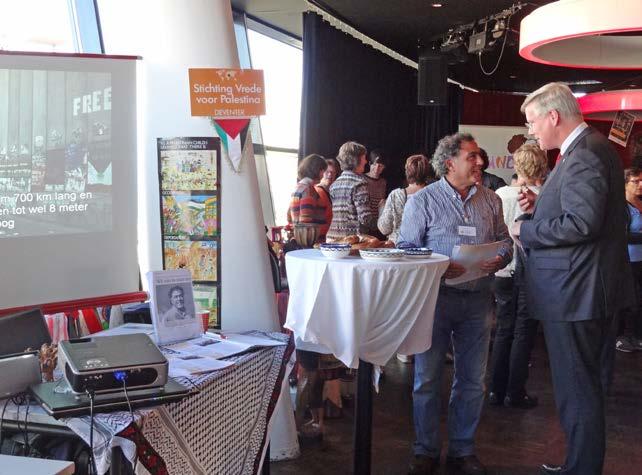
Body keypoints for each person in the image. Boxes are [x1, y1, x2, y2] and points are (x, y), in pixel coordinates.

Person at [510, 82, 630, 475]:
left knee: (578, 391)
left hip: (577, 294)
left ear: (553, 116)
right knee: (582, 388)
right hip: (584, 291)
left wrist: (526, 230)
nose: (531, 132)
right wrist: (541, 207)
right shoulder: (588, 150)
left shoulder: (584, 155)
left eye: (532, 123)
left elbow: (582, 223)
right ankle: (579, 462)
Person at [398, 132, 512, 475]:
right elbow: (405, 247)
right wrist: (438, 264)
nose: (480, 162)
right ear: (450, 162)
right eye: (472, 156)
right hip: (435, 300)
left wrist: (501, 256)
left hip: (479, 300)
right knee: (427, 378)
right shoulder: (423, 201)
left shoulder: (491, 200)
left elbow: (505, 240)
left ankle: (463, 450)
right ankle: (426, 451)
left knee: (473, 381)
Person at [488, 143, 549, 409]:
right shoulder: (545, 197)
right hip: (531, 272)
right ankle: (515, 391)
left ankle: (495, 390)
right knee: (524, 331)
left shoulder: (499, 194)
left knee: (503, 329)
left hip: (501, 269)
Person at [615, 167, 642, 352]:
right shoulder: (621, 207)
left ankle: (636, 336)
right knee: (632, 300)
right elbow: (620, 236)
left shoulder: (640, 203)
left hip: (640, 260)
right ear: (625, 183)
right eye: (636, 181)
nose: (640, 185)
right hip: (628, 261)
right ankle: (624, 337)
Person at [327, 141, 376, 241]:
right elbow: (365, 218)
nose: (366, 161)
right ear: (355, 159)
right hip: (352, 241)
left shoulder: (334, 185)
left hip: (332, 239)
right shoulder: (359, 184)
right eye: (364, 158)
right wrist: (381, 223)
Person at [377, 154, 431, 244]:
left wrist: (381, 209)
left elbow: (384, 228)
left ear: (407, 172)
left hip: (398, 248)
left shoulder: (396, 196)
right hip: (426, 248)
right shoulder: (434, 195)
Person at [287, 154, 328, 244]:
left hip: (302, 241)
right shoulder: (308, 190)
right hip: (312, 244)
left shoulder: (298, 187)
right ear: (318, 170)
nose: (323, 175)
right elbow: (306, 223)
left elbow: (289, 216)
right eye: (323, 170)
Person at [314, 157, 340, 240]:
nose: (330, 175)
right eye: (327, 172)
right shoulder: (316, 191)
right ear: (321, 172)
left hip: (330, 237)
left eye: (333, 172)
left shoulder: (333, 193)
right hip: (319, 238)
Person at [364, 149, 387, 217]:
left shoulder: (383, 182)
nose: (377, 169)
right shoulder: (361, 179)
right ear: (369, 163)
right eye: (374, 164)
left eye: (380, 166)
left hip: (378, 221)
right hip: (365, 221)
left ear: (384, 167)